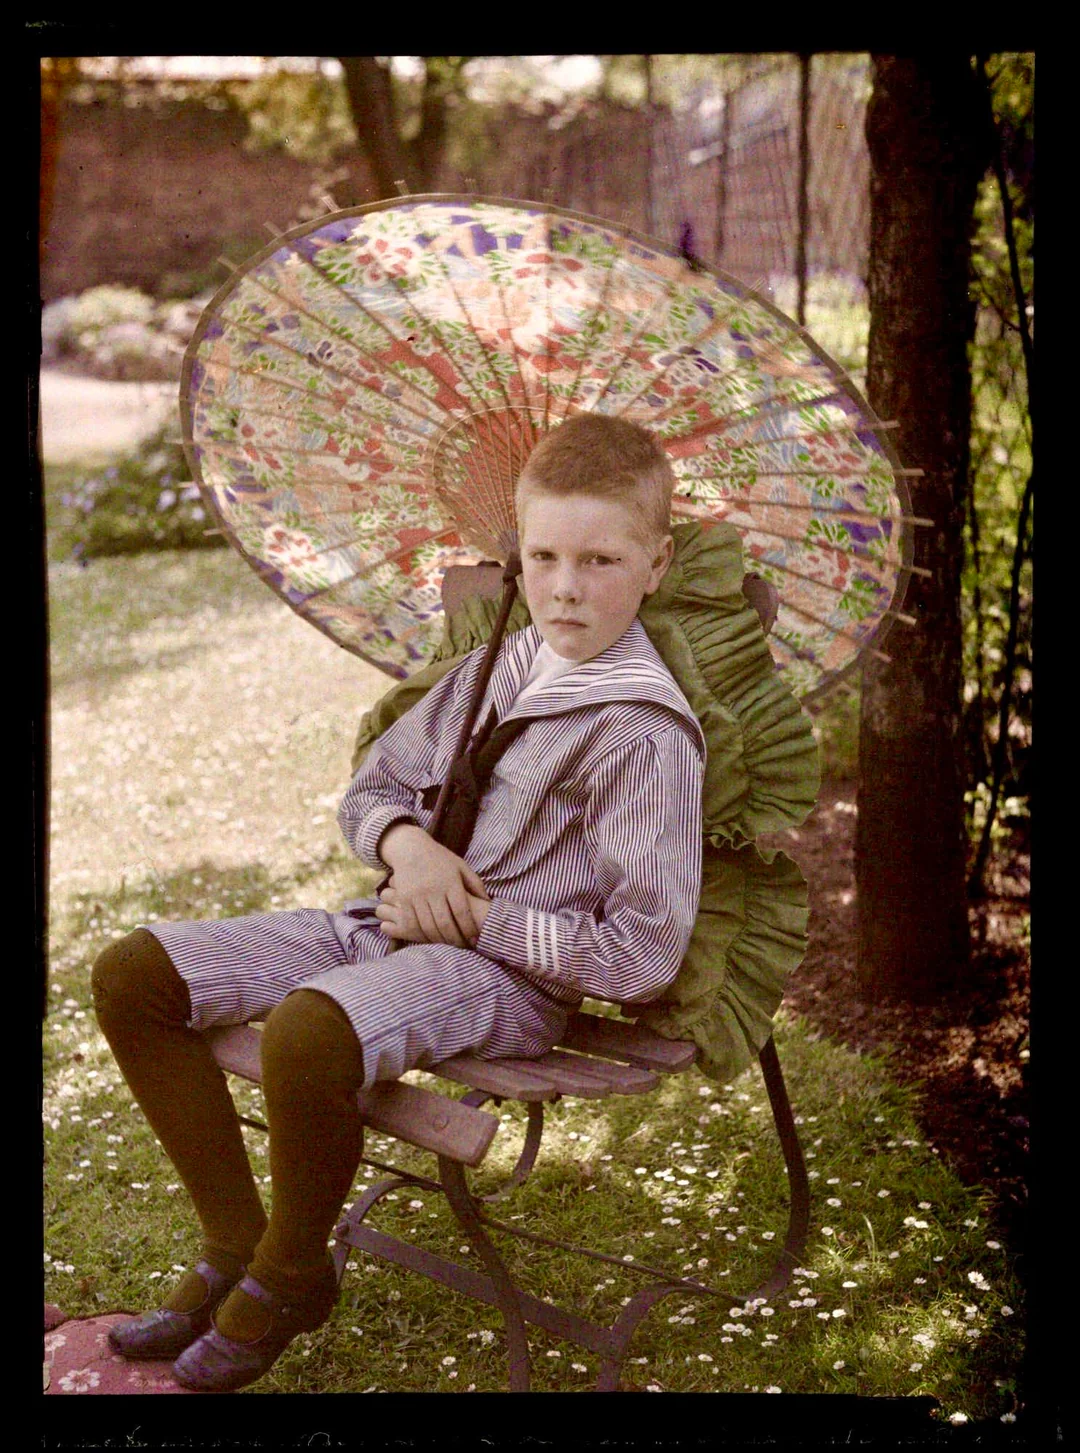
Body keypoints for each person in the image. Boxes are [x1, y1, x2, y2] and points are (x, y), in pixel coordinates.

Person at [91, 413, 706, 1393]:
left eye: (600, 559)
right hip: (386, 924)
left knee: (306, 1029)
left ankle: (291, 1278)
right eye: (544, 554)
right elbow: (371, 790)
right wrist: (409, 847)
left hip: (506, 974)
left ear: (656, 561)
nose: (565, 585)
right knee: (134, 973)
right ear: (518, 551)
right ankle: (234, 1240)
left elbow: (645, 951)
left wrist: (476, 917)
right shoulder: (498, 662)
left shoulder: (642, 732)